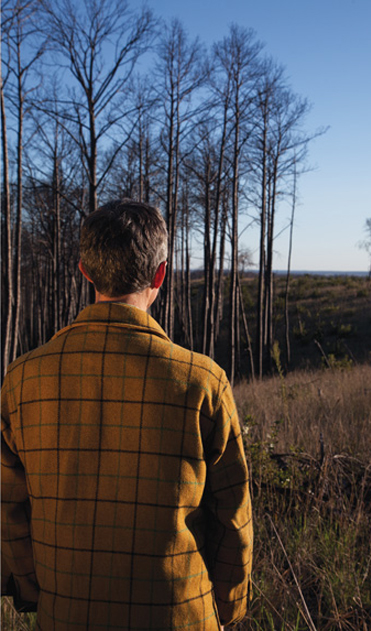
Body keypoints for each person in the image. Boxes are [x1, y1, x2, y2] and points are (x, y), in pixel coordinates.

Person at [1, 199, 253, 630]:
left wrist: (33, 592)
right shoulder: (203, 382)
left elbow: (7, 508)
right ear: (161, 274)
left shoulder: (23, 379)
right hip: (181, 618)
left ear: (85, 272)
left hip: (67, 616)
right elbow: (234, 518)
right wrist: (227, 609)